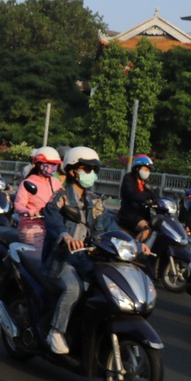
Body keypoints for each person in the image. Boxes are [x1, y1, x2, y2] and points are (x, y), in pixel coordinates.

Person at [41, 147, 118, 355]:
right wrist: (65, 236)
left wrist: (134, 243)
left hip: (87, 260)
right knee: (74, 288)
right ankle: (56, 331)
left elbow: (111, 226)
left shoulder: (95, 201)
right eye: (87, 168)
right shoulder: (60, 198)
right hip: (61, 260)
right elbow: (53, 220)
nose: (91, 172)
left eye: (94, 169)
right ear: (73, 171)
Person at [14, 146, 64, 247]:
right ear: (39, 164)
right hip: (32, 227)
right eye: (49, 164)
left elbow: (64, 197)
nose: (52, 167)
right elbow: (18, 205)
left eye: (54, 164)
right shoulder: (28, 183)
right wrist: (30, 211)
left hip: (53, 226)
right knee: (42, 256)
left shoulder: (56, 182)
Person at [118, 154, 156, 242]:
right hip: (129, 215)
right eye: (145, 169)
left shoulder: (146, 182)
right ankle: (136, 249)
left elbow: (153, 195)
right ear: (137, 168)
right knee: (146, 229)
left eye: (149, 170)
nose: (147, 172)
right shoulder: (128, 179)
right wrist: (145, 200)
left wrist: (159, 201)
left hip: (143, 215)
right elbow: (130, 194)